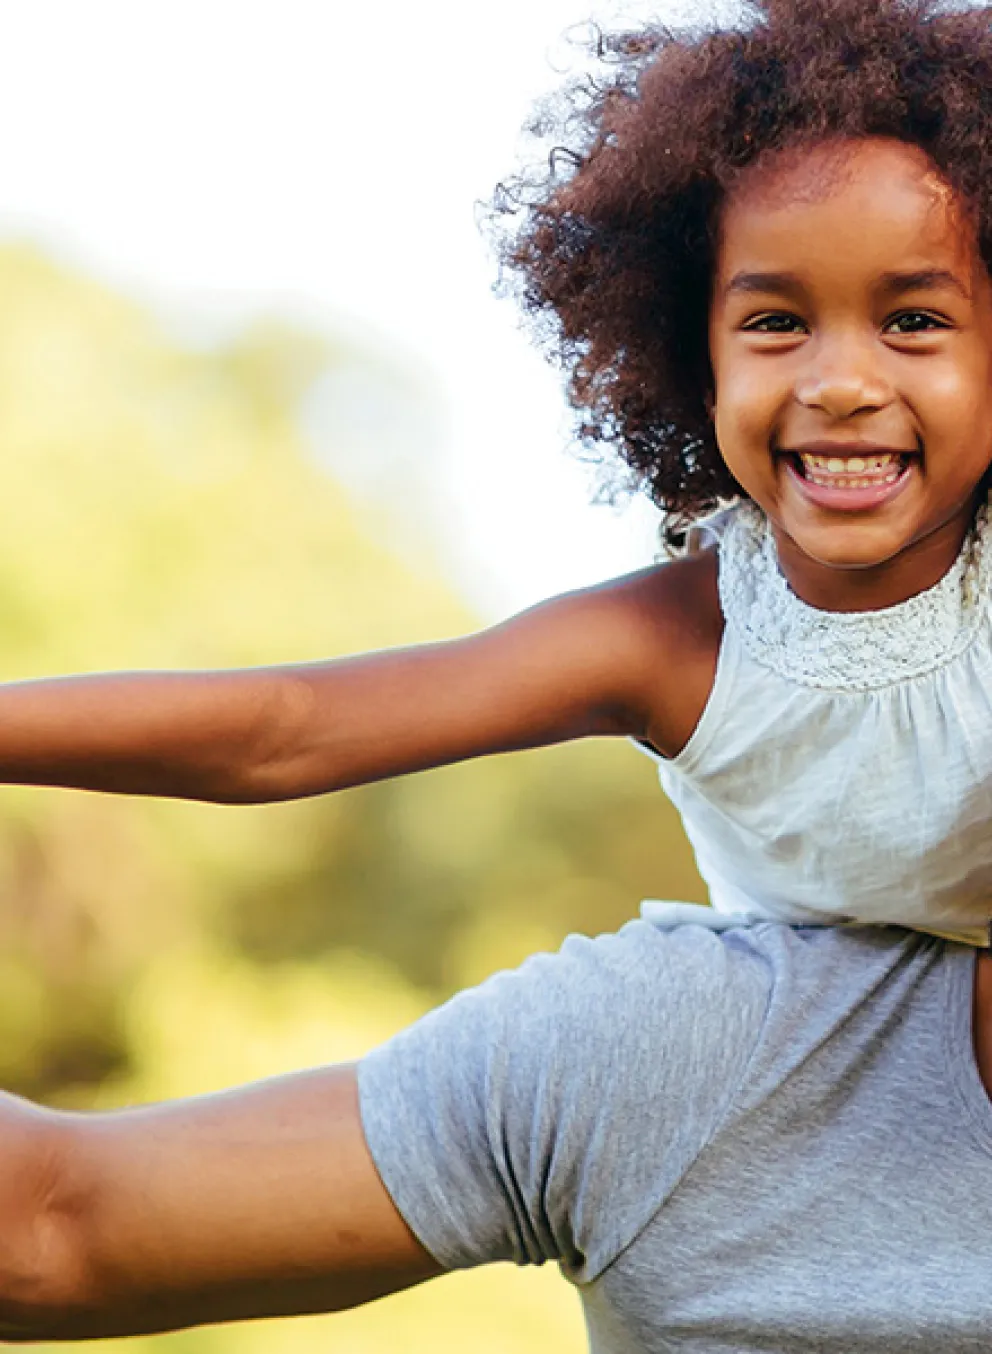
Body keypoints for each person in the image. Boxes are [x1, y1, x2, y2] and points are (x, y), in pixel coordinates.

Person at [1, 0, 992, 1347]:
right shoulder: (682, 640)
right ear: (690, 356)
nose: (841, 382)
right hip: (816, 1071)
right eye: (775, 324)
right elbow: (291, 729)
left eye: (915, 321)